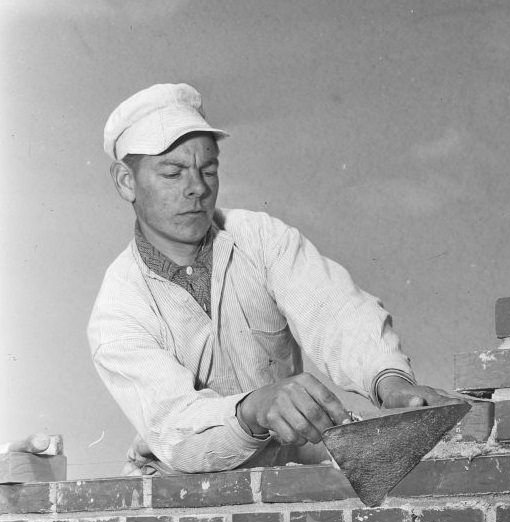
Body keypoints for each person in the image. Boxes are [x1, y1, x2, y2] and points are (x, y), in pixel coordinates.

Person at [88, 83, 452, 475]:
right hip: (184, 495)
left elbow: (336, 311)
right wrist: (255, 407)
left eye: (208, 169)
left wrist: (390, 382)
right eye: (173, 173)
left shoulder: (259, 237)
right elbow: (178, 433)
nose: (197, 188)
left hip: (286, 475)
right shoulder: (117, 310)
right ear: (126, 181)